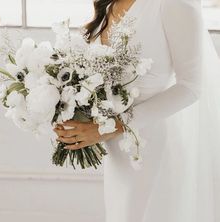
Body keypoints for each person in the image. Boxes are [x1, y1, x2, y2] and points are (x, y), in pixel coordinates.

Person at [54, 0, 220, 221]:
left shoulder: (174, 4)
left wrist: (111, 127)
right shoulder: (111, 3)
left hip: (155, 148)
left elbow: (191, 87)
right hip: (118, 154)